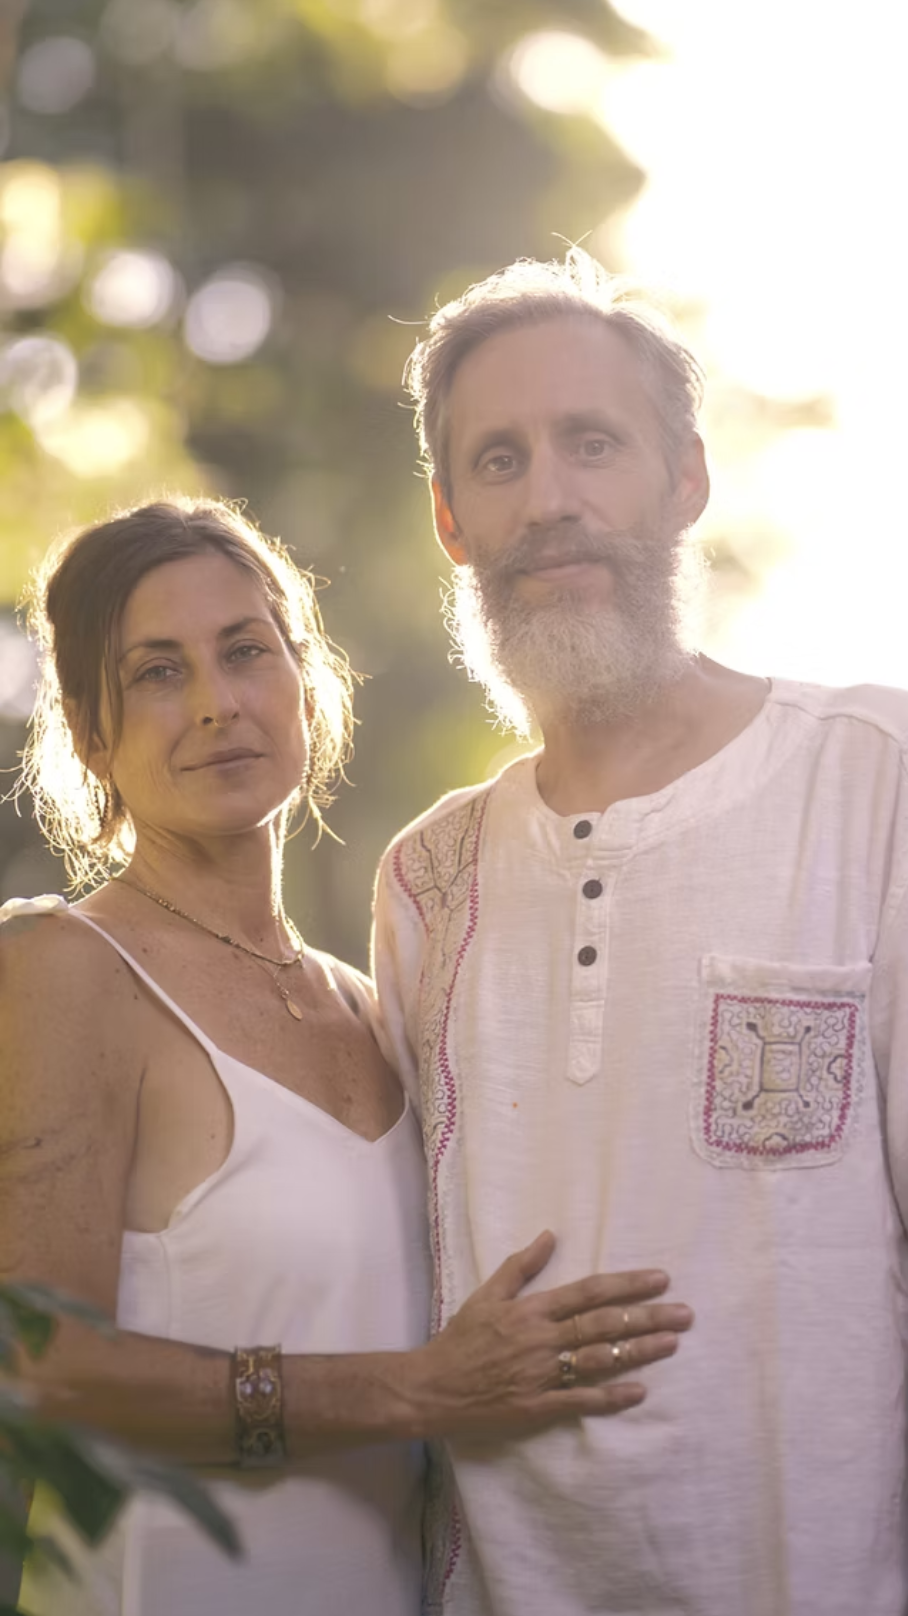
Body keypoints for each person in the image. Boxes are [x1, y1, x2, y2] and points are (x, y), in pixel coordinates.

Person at [0, 497, 692, 1616]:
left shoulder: (374, 1004)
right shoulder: (65, 966)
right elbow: (34, 1368)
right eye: (158, 673)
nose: (218, 703)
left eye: (244, 650)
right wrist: (416, 1389)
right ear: (90, 732)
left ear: (304, 678)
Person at [372, 248, 908, 1616]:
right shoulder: (428, 881)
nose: (548, 501)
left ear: (687, 479)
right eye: (498, 462)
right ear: (450, 521)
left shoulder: (872, 778)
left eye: (591, 445)